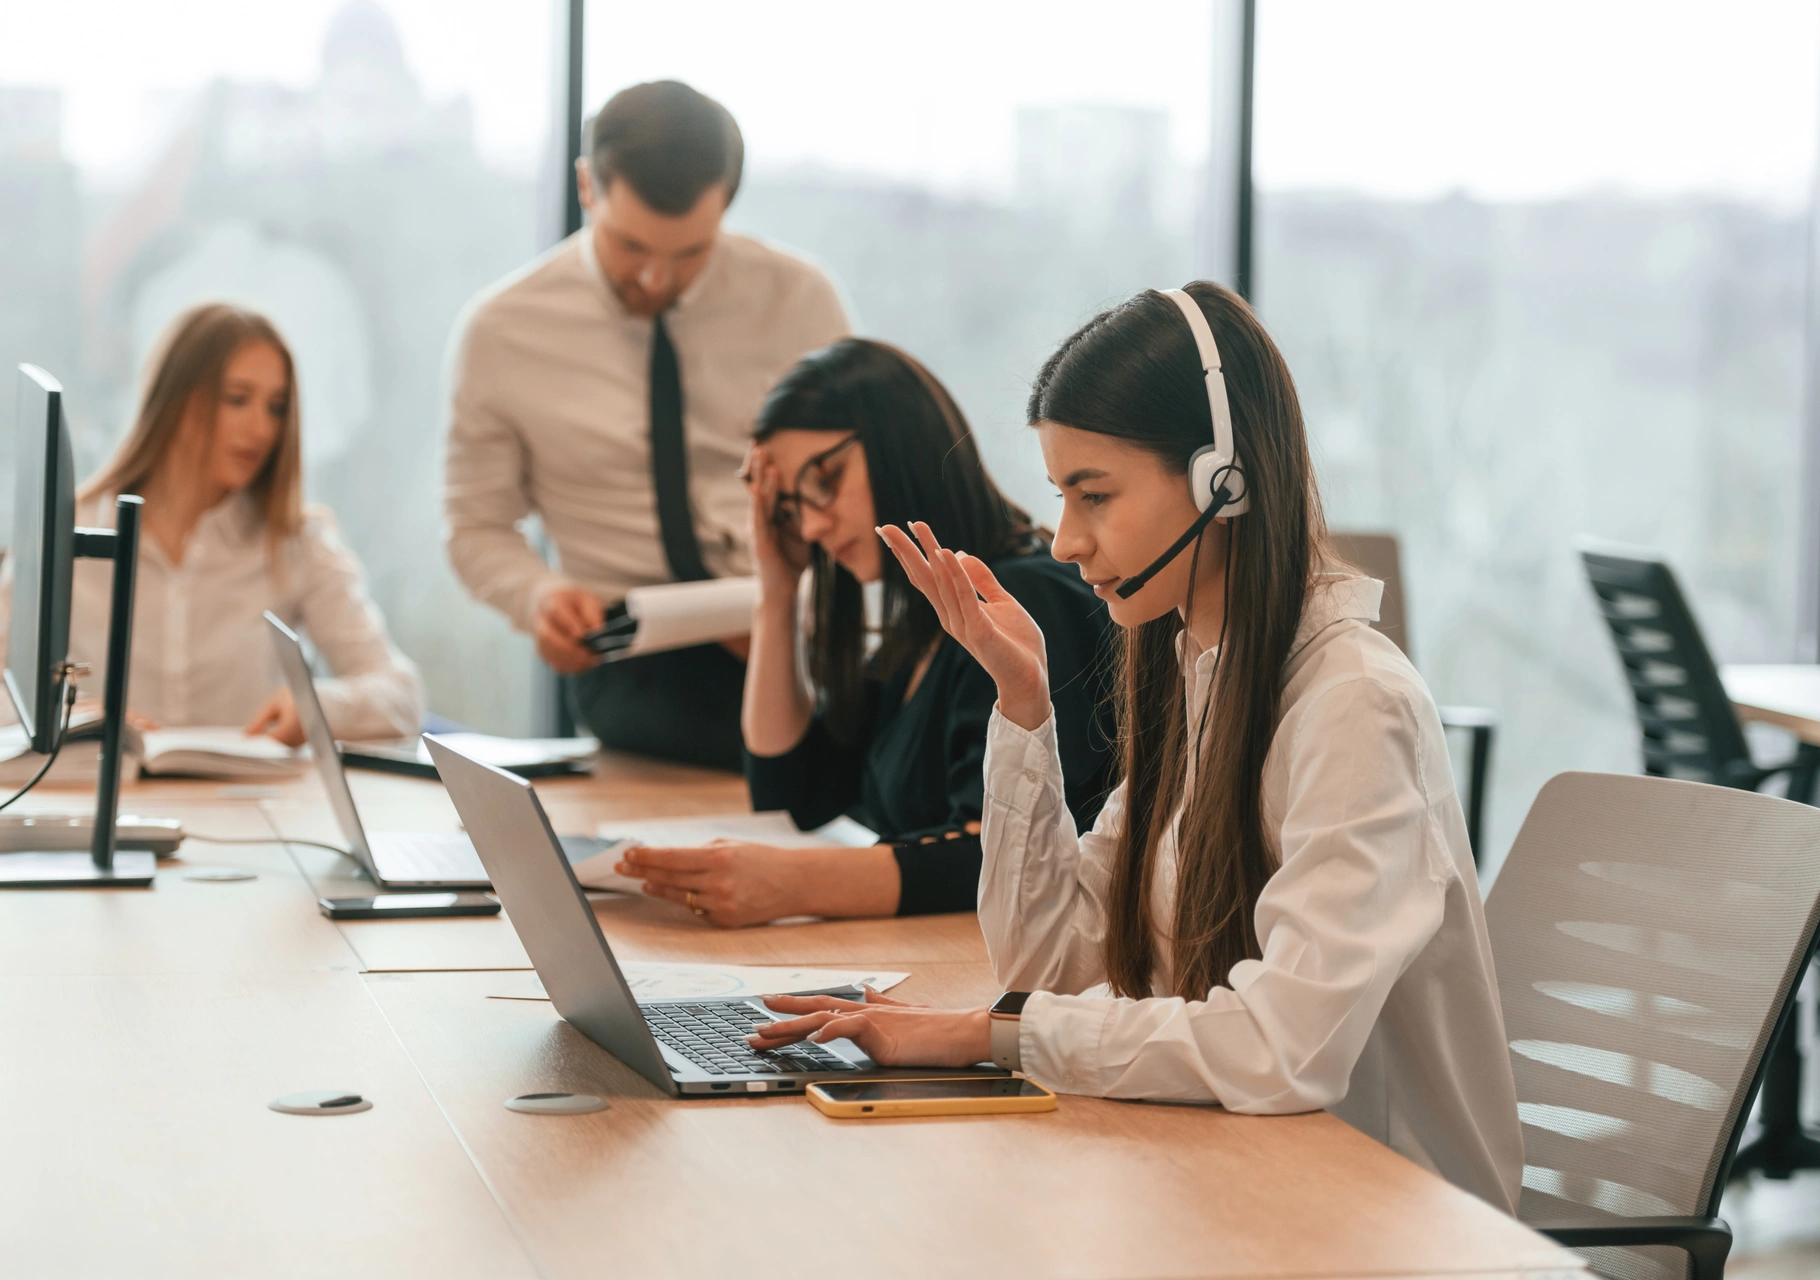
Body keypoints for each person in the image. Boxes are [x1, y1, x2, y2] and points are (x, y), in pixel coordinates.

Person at [747, 284, 1524, 1213]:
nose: (1069, 541)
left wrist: (986, 1037)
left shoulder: (1352, 705)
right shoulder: (1192, 672)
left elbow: (1282, 1050)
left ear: (1221, 484)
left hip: (1386, 1218)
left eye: (1096, 495)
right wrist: (1023, 705)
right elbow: (1049, 962)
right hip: (1233, 1179)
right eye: (1061, 497)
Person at [615, 340, 1112, 925]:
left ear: (898, 443)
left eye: (824, 480)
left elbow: (1001, 853)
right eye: (792, 508)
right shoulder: (917, 633)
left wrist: (793, 884)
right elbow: (788, 795)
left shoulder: (1023, 600)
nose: (812, 524)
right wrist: (776, 593)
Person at [444, 80, 849, 771]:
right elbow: (475, 527)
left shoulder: (798, 300)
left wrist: (797, 608)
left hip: (792, 634)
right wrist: (539, 596)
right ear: (586, 188)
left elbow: (858, 493)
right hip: (631, 662)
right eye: (632, 246)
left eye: (692, 252)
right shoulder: (502, 330)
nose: (658, 278)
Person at [0, 303, 423, 746]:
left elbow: (400, 695)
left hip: (251, 817)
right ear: (177, 401)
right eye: (238, 399)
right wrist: (67, 717)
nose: (261, 429)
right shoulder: (71, 532)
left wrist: (317, 707)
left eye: (275, 407)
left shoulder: (299, 543)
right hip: (101, 810)